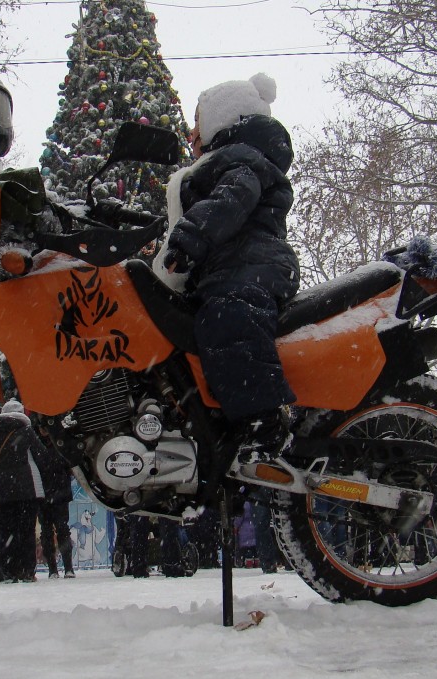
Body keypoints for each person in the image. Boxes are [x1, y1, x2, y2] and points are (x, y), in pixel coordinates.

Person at [155, 72, 299, 465]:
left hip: (252, 266)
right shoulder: (223, 162)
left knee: (227, 318)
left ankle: (263, 422)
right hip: (229, 266)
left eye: (198, 120)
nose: (190, 131)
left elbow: (231, 200)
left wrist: (189, 239)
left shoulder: (241, 160)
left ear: (223, 118)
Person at [0, 400, 47, 582]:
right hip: (28, 488)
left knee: (8, 531)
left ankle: (10, 569)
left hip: (4, 489)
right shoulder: (26, 432)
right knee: (27, 530)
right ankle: (27, 570)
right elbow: (41, 454)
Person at [38, 445, 75, 579]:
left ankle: (58, 568)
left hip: (49, 493)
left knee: (52, 530)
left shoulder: (37, 444)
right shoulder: (59, 444)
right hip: (57, 491)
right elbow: (70, 466)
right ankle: (62, 568)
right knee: (57, 530)